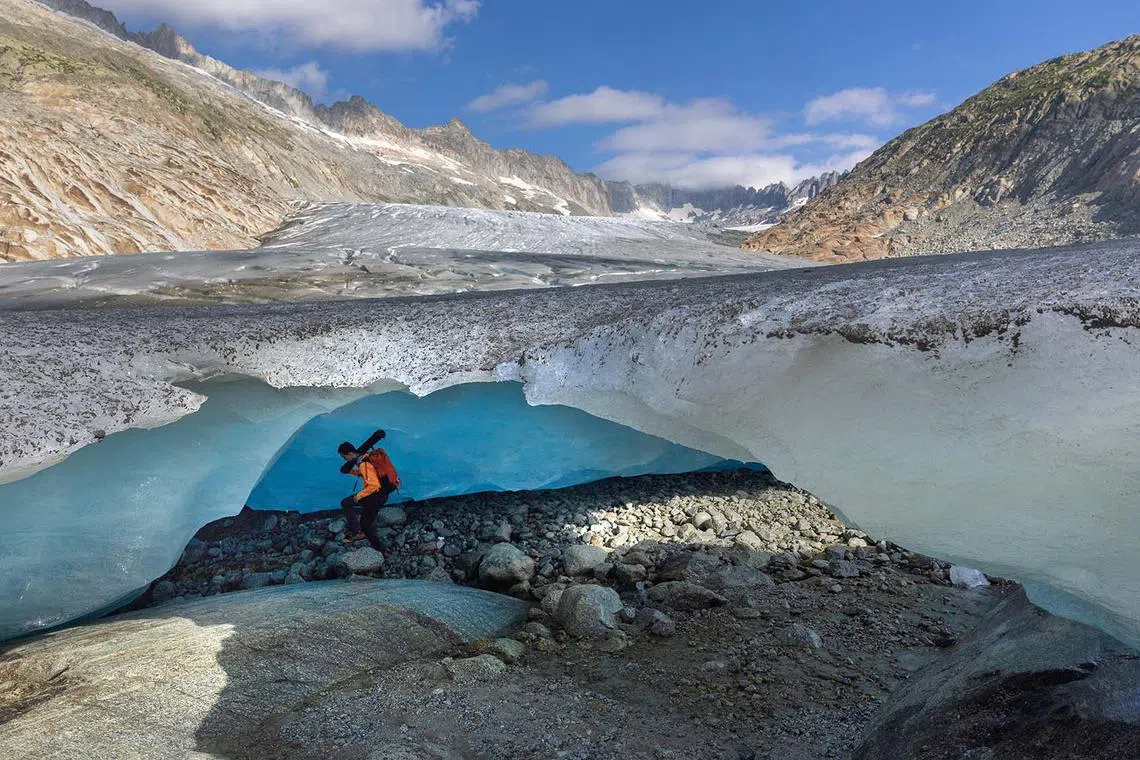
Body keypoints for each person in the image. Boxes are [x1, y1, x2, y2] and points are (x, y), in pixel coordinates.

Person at [338, 440, 399, 551]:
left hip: (376, 496)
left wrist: (358, 496)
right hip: (382, 494)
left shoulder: (363, 463)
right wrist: (351, 472)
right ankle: (367, 536)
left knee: (347, 504)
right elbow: (370, 474)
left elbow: (373, 485)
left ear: (350, 454)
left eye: (344, 457)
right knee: (366, 522)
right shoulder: (367, 457)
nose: (345, 460)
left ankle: (365, 537)